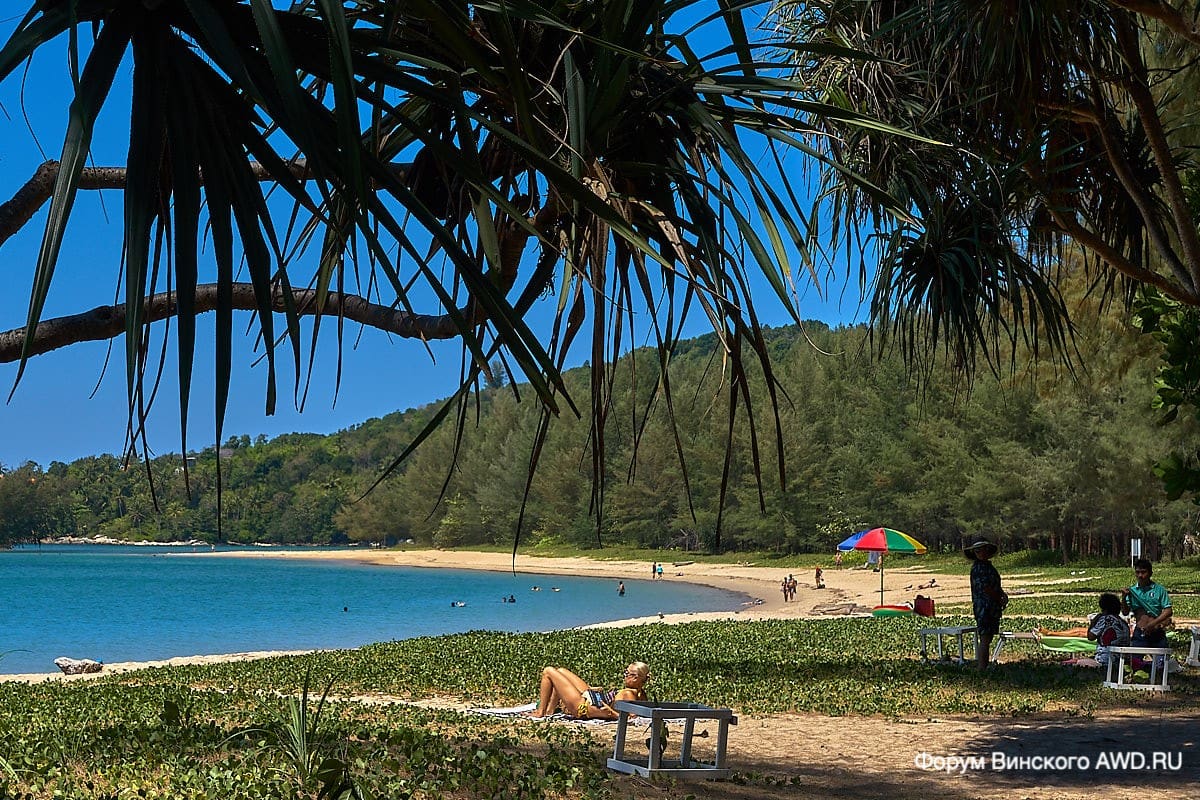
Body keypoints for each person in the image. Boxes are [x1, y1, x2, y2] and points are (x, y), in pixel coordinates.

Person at [530, 662, 650, 720]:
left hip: (583, 707)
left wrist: (612, 713)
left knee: (548, 671)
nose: (625, 676)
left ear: (635, 677)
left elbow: (631, 718)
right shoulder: (641, 693)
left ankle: (540, 712)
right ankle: (550, 710)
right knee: (561, 671)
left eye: (627, 673)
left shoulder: (628, 694)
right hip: (593, 699)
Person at [965, 539, 1007, 669]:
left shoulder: (988, 567)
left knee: (988, 637)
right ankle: (982, 667)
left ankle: (983, 665)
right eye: (977, 551)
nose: (980, 553)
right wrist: (998, 597)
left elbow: (994, 585)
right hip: (984, 606)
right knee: (984, 637)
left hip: (992, 606)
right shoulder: (978, 568)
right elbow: (986, 588)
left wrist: (1002, 594)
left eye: (982, 550)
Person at [1122, 558, 1173, 649]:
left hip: (1157, 631)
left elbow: (1168, 611)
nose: (1140, 575)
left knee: (1161, 660)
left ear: (1150, 573)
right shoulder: (1132, 591)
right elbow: (1125, 612)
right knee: (1135, 660)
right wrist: (1123, 598)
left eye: (1143, 572)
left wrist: (1152, 624)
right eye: (1137, 572)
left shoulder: (1159, 590)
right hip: (1140, 631)